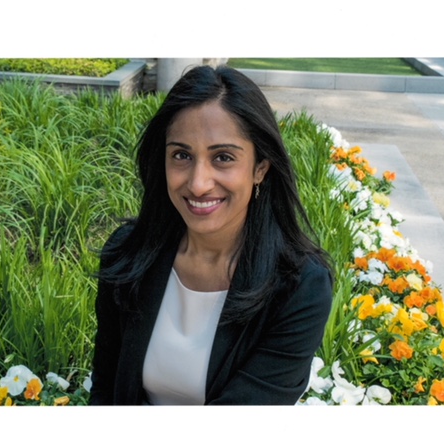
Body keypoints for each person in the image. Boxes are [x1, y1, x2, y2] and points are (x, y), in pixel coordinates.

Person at [89, 65, 333, 405]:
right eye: (181, 155)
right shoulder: (128, 253)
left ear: (260, 168)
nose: (198, 183)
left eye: (223, 157)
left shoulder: (299, 286)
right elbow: (105, 388)